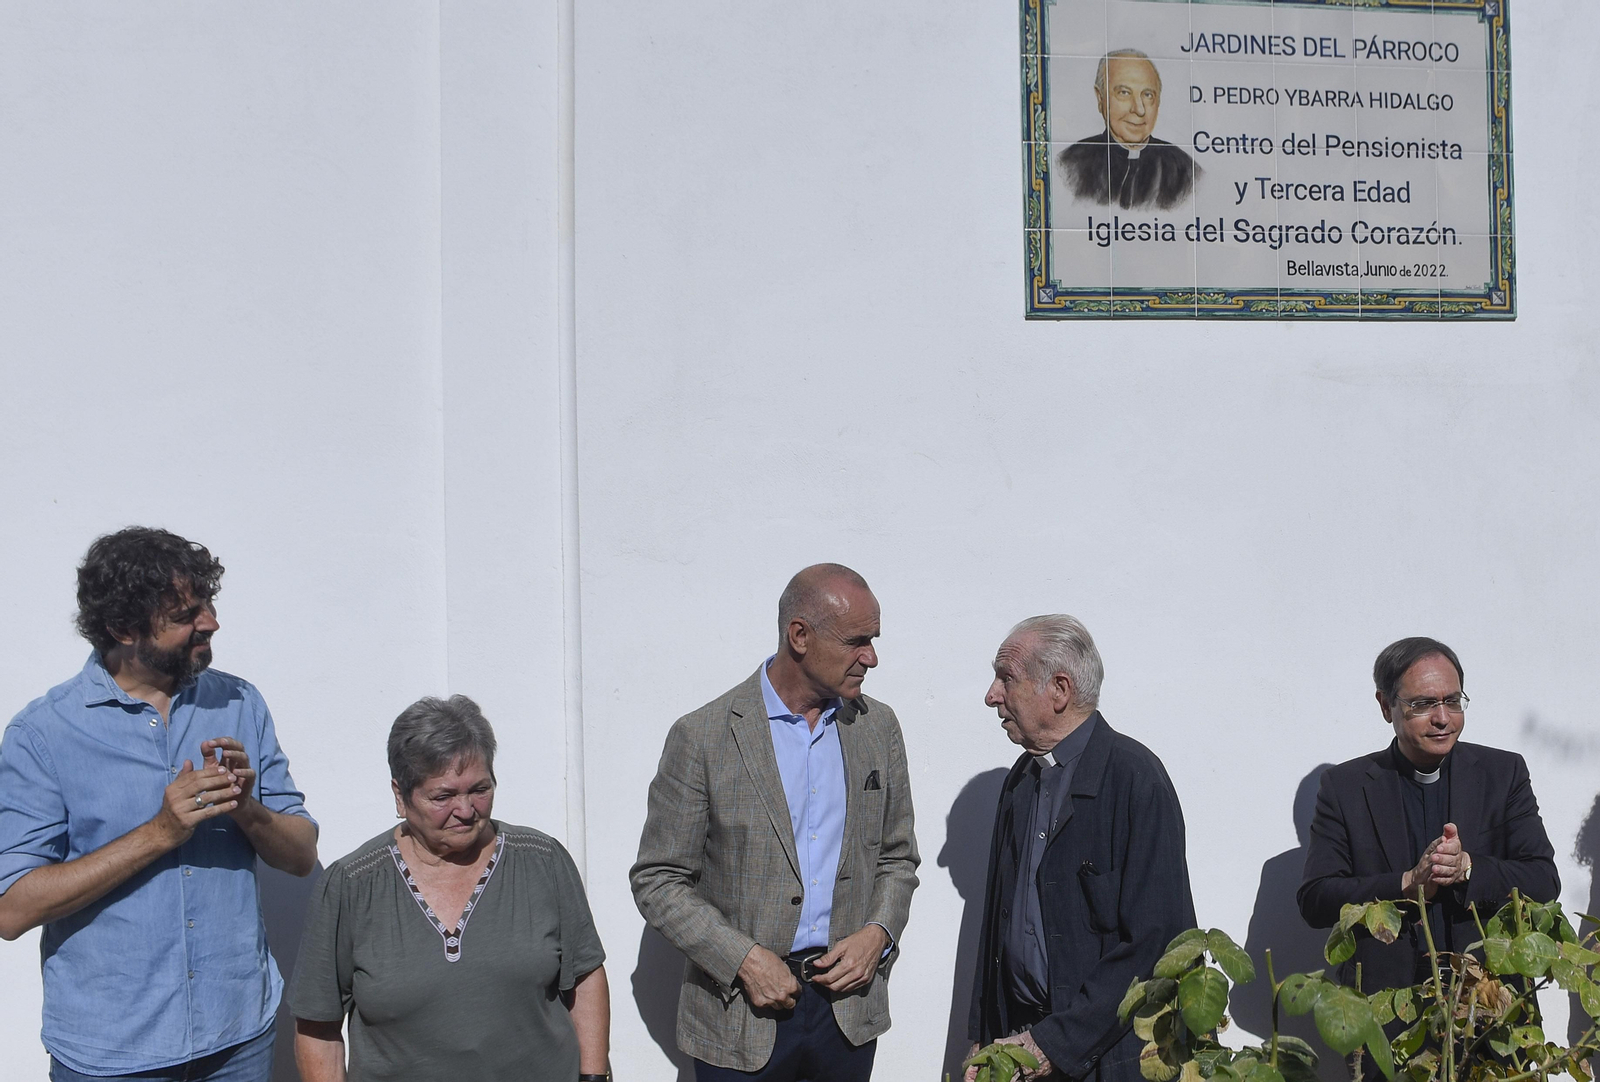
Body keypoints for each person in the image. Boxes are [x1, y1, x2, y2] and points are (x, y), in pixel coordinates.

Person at [0, 526, 319, 1081]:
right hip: (111, 1056)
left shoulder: (239, 701)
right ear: (122, 628)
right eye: (186, 614)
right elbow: (12, 909)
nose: (211, 622)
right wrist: (158, 833)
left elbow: (299, 855)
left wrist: (248, 809)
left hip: (238, 1037)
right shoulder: (43, 734)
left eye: (208, 603)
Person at [631, 563, 920, 1081]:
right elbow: (658, 879)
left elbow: (897, 857)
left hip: (847, 1012)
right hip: (741, 1011)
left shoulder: (878, 728)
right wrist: (743, 959)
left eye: (873, 641)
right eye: (857, 641)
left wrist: (878, 933)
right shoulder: (703, 737)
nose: (871, 658)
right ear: (800, 636)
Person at [291, 695, 610, 1082]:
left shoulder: (541, 860)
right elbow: (317, 1027)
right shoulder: (352, 885)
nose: (465, 809)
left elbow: (584, 974)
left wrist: (593, 1076)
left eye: (480, 789)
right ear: (400, 795)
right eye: (443, 796)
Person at [967, 615, 1195, 1082]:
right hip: (1023, 1043)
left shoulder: (1135, 779)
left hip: (1108, 1055)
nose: (992, 695)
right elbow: (998, 922)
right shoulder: (1022, 781)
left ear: (1060, 688)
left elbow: (1160, 941)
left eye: (1006, 678)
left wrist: (1052, 1044)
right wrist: (984, 1035)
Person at [1298, 637, 1560, 994]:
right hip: (1388, 1003)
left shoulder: (1503, 773)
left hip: (1490, 999)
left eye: (1452, 701)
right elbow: (1316, 900)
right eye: (1423, 704)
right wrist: (1406, 883)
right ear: (1386, 705)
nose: (1442, 718)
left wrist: (1467, 867)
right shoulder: (1346, 787)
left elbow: (1544, 880)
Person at [1057, 50, 1199, 212]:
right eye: (1124, 93)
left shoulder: (1184, 171)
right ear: (1100, 98)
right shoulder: (1070, 165)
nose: (1139, 109)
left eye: (1147, 95)